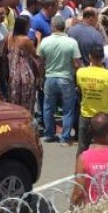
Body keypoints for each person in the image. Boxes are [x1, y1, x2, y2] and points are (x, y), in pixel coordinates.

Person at [70, 112, 108, 206]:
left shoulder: (83, 158)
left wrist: (71, 212)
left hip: (94, 210)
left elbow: (78, 192)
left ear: (90, 131)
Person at [38, 16, 82, 144]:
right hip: (66, 78)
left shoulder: (45, 41)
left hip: (50, 78)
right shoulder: (72, 42)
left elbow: (41, 62)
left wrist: (41, 78)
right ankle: (65, 136)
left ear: (53, 27)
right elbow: (77, 63)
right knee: (68, 109)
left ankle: (49, 134)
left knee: (48, 108)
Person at [76, 45, 108, 154]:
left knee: (82, 148)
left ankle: (79, 170)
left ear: (90, 57)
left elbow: (80, 89)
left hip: (86, 114)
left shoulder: (80, 72)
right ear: (102, 57)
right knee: (103, 147)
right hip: (102, 117)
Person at [6, 16, 41, 112]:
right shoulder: (25, 40)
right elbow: (36, 55)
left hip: (12, 73)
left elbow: (4, 52)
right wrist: (39, 40)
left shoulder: (9, 36)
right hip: (25, 74)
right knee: (26, 103)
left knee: (14, 101)